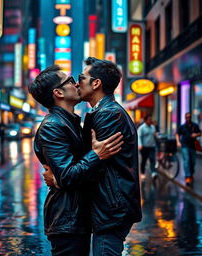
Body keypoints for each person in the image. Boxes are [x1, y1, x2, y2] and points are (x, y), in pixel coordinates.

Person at [28, 65, 124, 256]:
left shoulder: (69, 122)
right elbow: (67, 175)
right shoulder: (53, 126)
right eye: (70, 80)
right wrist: (96, 155)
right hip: (67, 219)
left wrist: (58, 178)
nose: (76, 83)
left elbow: (66, 174)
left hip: (77, 215)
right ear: (58, 92)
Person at [76, 57, 142, 255]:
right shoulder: (104, 111)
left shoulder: (109, 114)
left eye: (81, 77)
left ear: (96, 83)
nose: (77, 83)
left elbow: (95, 161)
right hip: (111, 203)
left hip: (111, 206)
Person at [176, 112, 202, 185]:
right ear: (185, 118)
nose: (188, 118)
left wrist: (196, 134)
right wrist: (178, 142)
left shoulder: (195, 125)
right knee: (186, 160)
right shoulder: (182, 126)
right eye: (187, 117)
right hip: (185, 145)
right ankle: (187, 176)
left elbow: (200, 133)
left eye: (189, 117)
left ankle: (191, 173)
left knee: (192, 162)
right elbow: (177, 133)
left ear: (191, 117)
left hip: (193, 146)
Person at [137, 114, 158, 180]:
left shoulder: (153, 127)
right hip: (144, 147)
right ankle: (142, 173)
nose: (150, 121)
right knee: (144, 160)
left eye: (151, 120)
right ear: (145, 120)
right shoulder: (141, 128)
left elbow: (154, 135)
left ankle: (153, 173)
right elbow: (139, 137)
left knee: (152, 159)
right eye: (149, 120)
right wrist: (140, 145)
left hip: (152, 146)